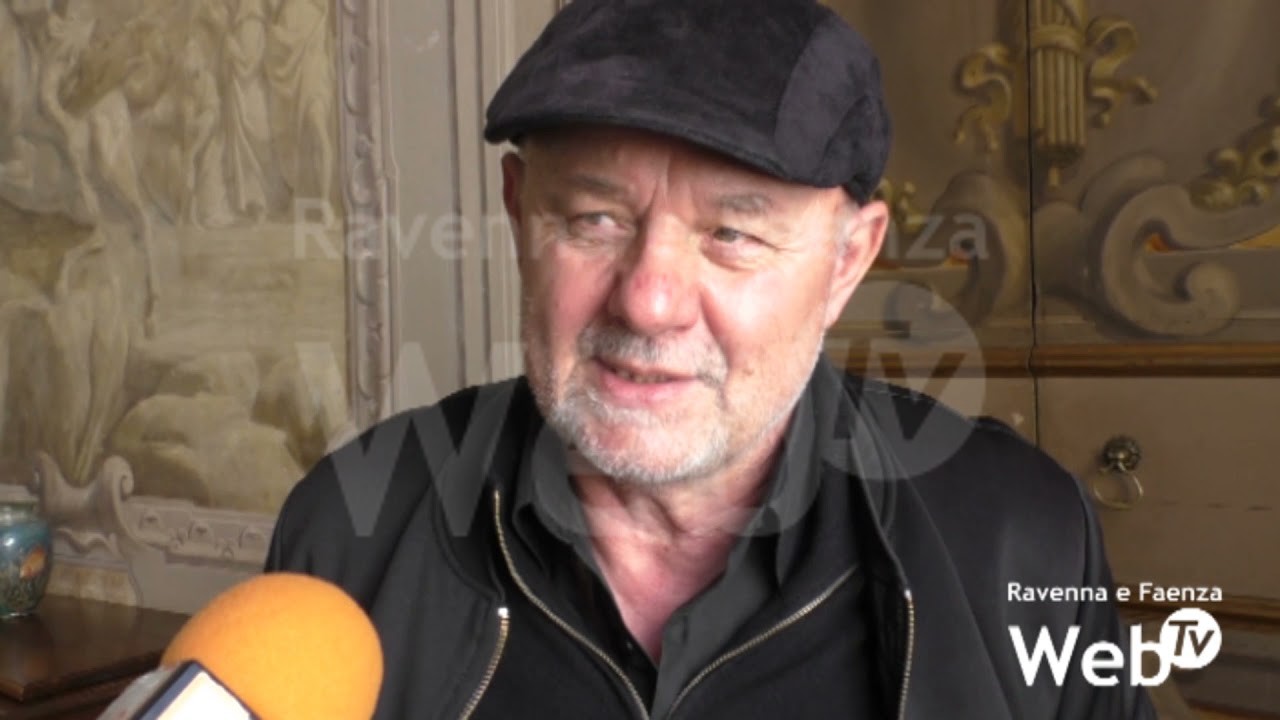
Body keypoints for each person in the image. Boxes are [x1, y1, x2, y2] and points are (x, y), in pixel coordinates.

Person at [265, 1, 1157, 718]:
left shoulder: (1019, 539)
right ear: (519, 210)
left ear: (848, 260)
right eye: (594, 220)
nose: (648, 301)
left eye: (732, 234)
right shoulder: (350, 530)